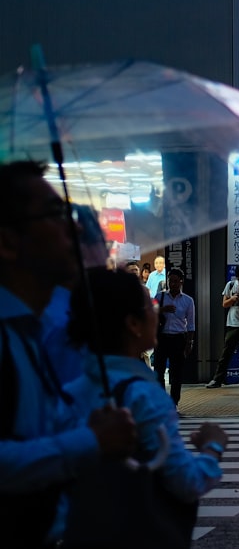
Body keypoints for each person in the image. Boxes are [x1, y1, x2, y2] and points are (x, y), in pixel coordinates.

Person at [0, 161, 136, 547]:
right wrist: (91, 440)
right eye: (57, 215)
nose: (75, 228)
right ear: (8, 241)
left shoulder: (29, 331)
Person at [61, 268, 228, 548]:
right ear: (133, 324)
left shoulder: (69, 393)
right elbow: (187, 482)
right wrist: (212, 448)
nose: (157, 312)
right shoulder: (143, 396)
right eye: (150, 306)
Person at [153, 268, 196, 406]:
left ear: (181, 282)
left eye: (176, 281)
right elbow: (149, 312)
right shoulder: (160, 297)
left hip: (178, 338)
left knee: (176, 373)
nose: (173, 284)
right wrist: (162, 309)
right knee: (159, 371)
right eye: (170, 281)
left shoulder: (188, 301)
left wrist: (189, 342)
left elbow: (191, 323)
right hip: (162, 337)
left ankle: (174, 402)